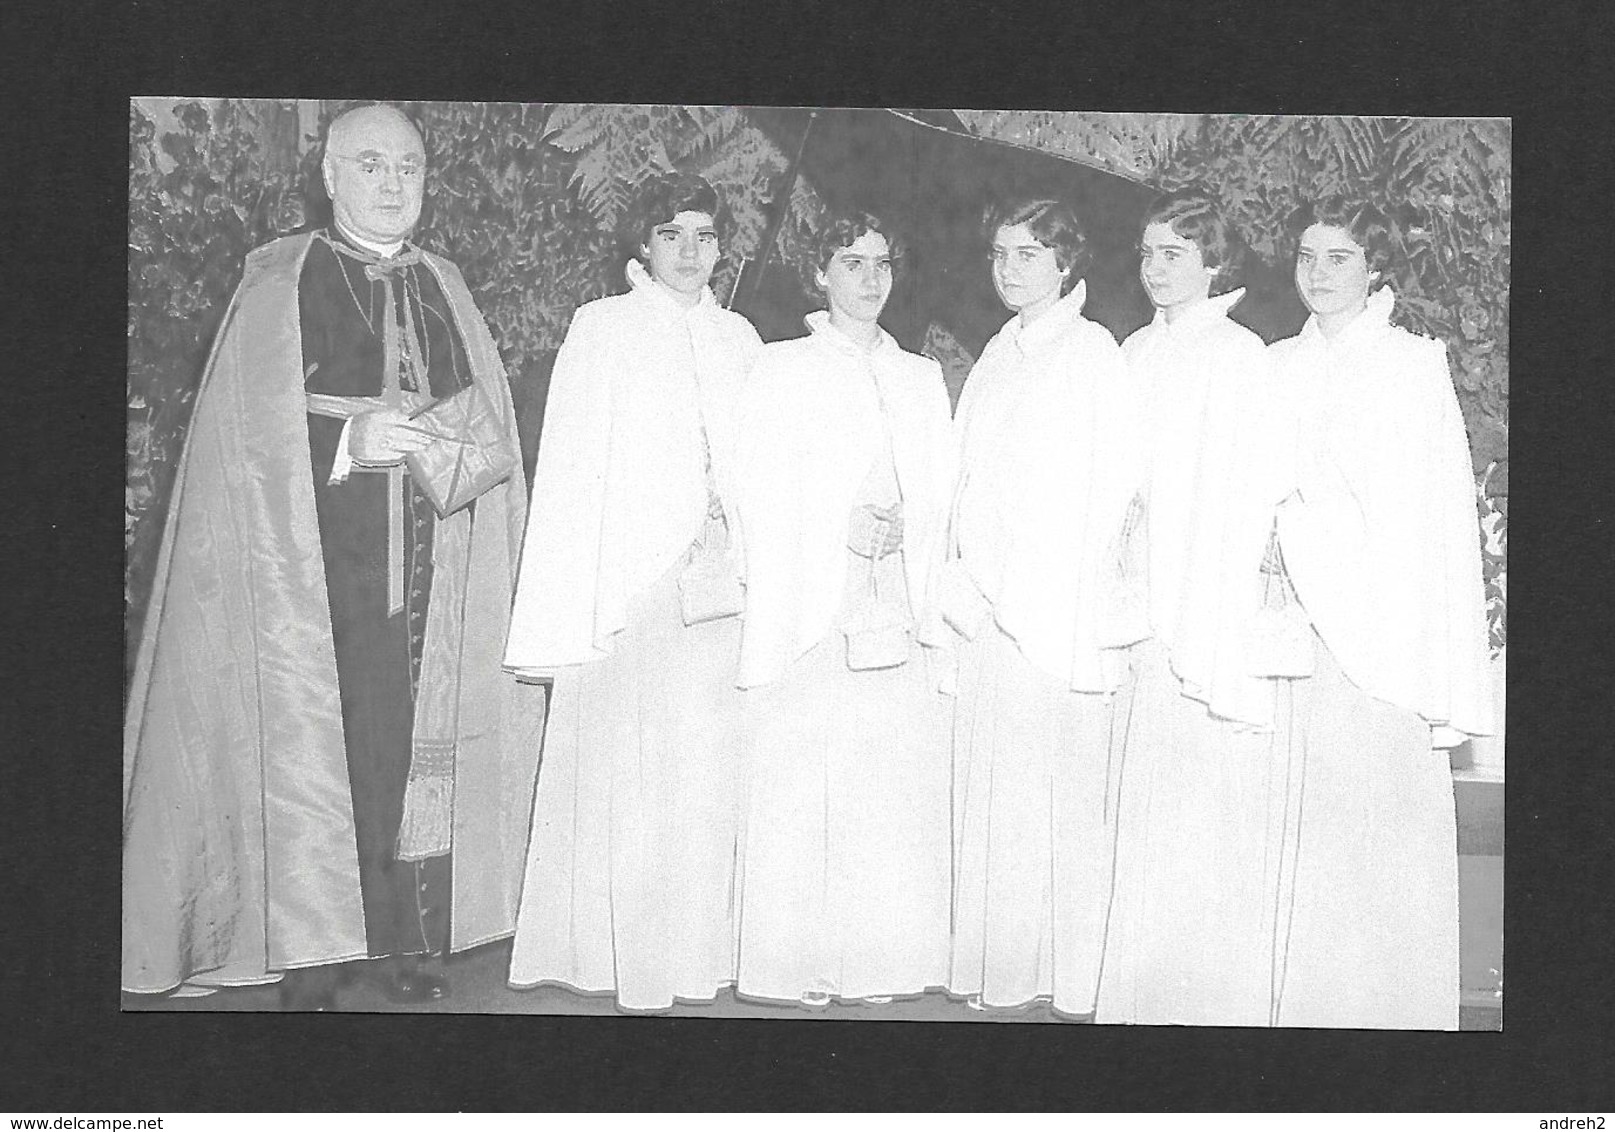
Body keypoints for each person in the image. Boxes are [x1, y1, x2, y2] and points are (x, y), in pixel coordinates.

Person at [122, 103, 545, 1011]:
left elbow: (488, 423)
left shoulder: (447, 283)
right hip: (312, 567)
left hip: (433, 562)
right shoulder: (281, 278)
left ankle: (401, 940)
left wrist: (452, 457)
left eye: (410, 168)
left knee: (408, 750)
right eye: (372, 166)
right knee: (324, 748)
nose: (394, 185)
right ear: (329, 175)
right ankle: (316, 957)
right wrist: (354, 443)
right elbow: (244, 441)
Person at [502, 172, 763, 1011]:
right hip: (629, 580)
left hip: (717, 582)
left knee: (704, 769)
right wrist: (586, 589)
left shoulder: (741, 339)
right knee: (635, 770)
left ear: (724, 249)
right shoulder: (602, 328)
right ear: (640, 248)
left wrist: (735, 496)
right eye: (671, 235)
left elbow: (765, 459)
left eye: (705, 236)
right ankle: (623, 955)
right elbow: (575, 469)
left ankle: (697, 953)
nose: (690, 253)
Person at [1259, 196, 1493, 1028]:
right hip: (1291, 618)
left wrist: (1310, 530)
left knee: (1371, 810)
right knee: (1296, 810)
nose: (1318, 275)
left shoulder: (1407, 365)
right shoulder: (1277, 364)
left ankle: (1382, 1009)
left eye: (1338, 259)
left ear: (1376, 269)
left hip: (1378, 624)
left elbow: (1418, 513)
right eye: (1306, 256)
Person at [729, 213, 955, 1007]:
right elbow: (752, 487)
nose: (869, 277)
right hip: (810, 606)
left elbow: (943, 490)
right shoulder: (780, 368)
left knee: (884, 783)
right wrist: (835, 525)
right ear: (816, 273)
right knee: (802, 784)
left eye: (882, 262)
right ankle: (795, 963)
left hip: (890, 599)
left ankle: (879, 961)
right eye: (849, 261)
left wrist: (908, 525)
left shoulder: (919, 377)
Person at [941, 198, 1140, 1018]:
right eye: (999, 254)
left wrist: (1037, 585)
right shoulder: (999, 351)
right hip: (991, 602)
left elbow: (1105, 489)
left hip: (1050, 606)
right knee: (997, 789)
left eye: (1027, 254)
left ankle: (1058, 973)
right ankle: (1000, 964)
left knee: (1050, 794)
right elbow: (968, 478)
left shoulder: (1090, 353)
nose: (1009, 268)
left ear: (1065, 263)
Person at [1094, 187, 1284, 1027]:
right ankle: (1139, 986)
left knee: (1200, 789)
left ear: (1215, 263)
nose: (1156, 269)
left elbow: (1246, 488)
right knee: (1140, 787)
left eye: (1174, 252)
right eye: (1146, 253)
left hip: (1201, 586)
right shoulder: (1133, 350)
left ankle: (1206, 993)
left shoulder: (1238, 354)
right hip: (1139, 582)